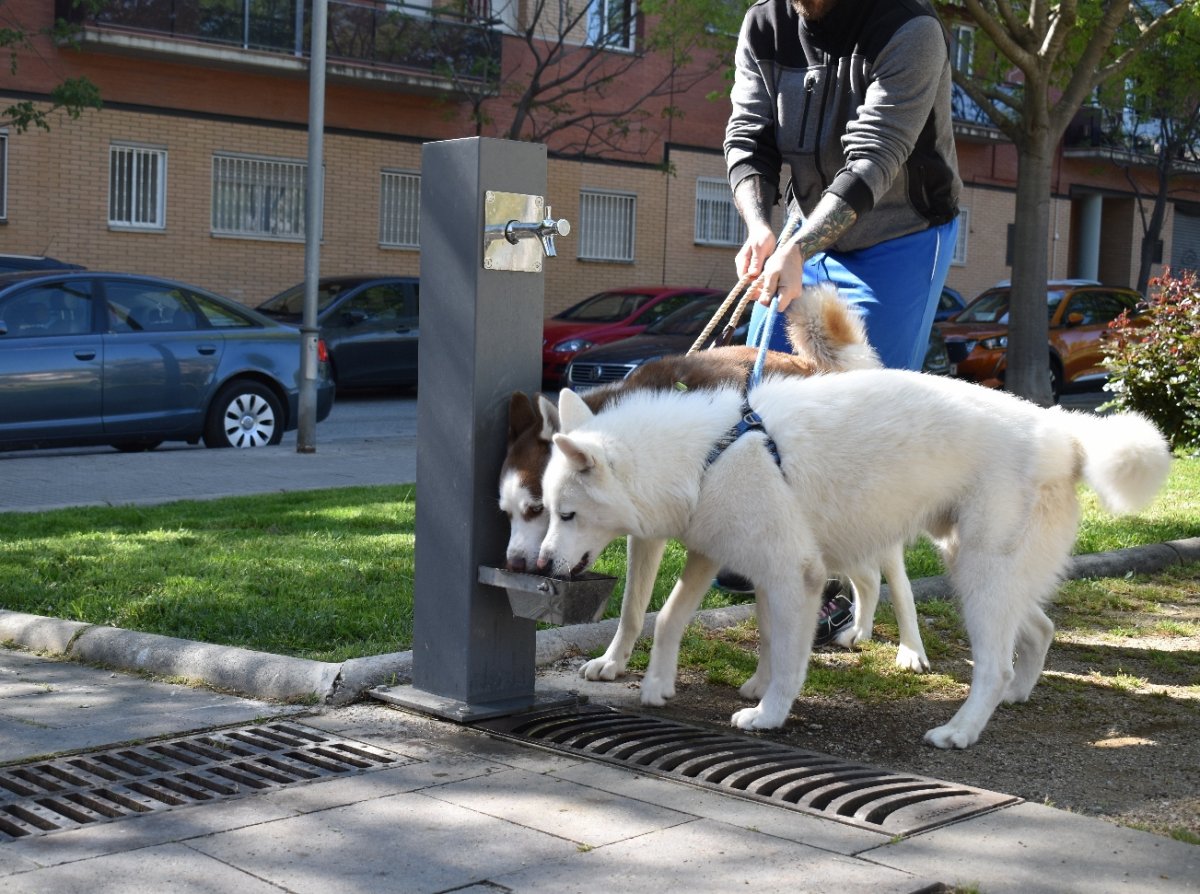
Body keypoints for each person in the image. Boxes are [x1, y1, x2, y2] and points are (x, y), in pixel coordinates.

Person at [716, 0, 962, 642]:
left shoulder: (910, 29)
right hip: (801, 228)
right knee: (764, 380)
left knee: (861, 404)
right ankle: (764, 541)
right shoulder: (764, 25)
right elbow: (747, 137)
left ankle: (838, 585)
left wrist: (801, 243)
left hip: (902, 230)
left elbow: (875, 156)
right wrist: (762, 227)